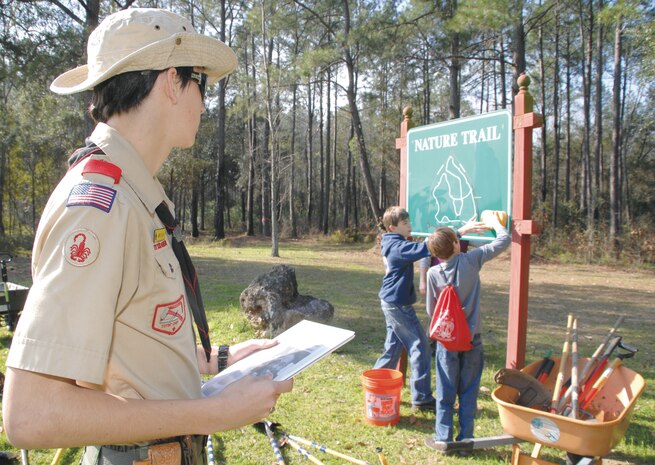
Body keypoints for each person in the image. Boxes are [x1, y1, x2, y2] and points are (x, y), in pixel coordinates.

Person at [1, 8, 292, 465]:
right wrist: (212, 413)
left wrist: (216, 358)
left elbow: (128, 331)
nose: (203, 101)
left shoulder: (133, 193)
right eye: (201, 83)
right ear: (172, 82)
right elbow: (31, 415)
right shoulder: (100, 206)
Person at [424, 212, 510, 451]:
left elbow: (432, 311)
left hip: (447, 342)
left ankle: (443, 438)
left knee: (445, 390)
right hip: (473, 339)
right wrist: (495, 224)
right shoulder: (472, 260)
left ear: (435, 253)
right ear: (455, 244)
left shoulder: (432, 273)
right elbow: (503, 241)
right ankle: (466, 440)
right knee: (469, 390)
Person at [374, 206, 436, 411]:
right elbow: (422, 250)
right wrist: (456, 233)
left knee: (392, 347)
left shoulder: (394, 241)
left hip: (392, 301)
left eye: (409, 222)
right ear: (392, 227)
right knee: (420, 345)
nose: (410, 226)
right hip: (397, 304)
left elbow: (418, 248)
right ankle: (422, 398)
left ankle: (376, 385)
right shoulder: (397, 246)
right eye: (405, 223)